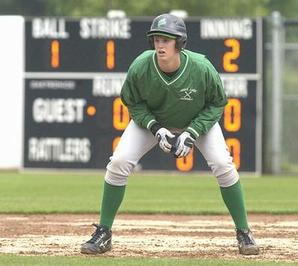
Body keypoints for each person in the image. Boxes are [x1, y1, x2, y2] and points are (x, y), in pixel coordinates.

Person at [80, 13, 260, 256]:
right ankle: (104, 232)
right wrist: (155, 128)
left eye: (166, 39)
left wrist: (193, 132)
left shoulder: (201, 67)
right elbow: (132, 102)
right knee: (119, 162)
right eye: (156, 39)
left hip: (195, 121)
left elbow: (217, 104)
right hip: (154, 122)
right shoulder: (142, 65)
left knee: (222, 164)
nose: (160, 44)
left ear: (180, 42)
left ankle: (244, 232)